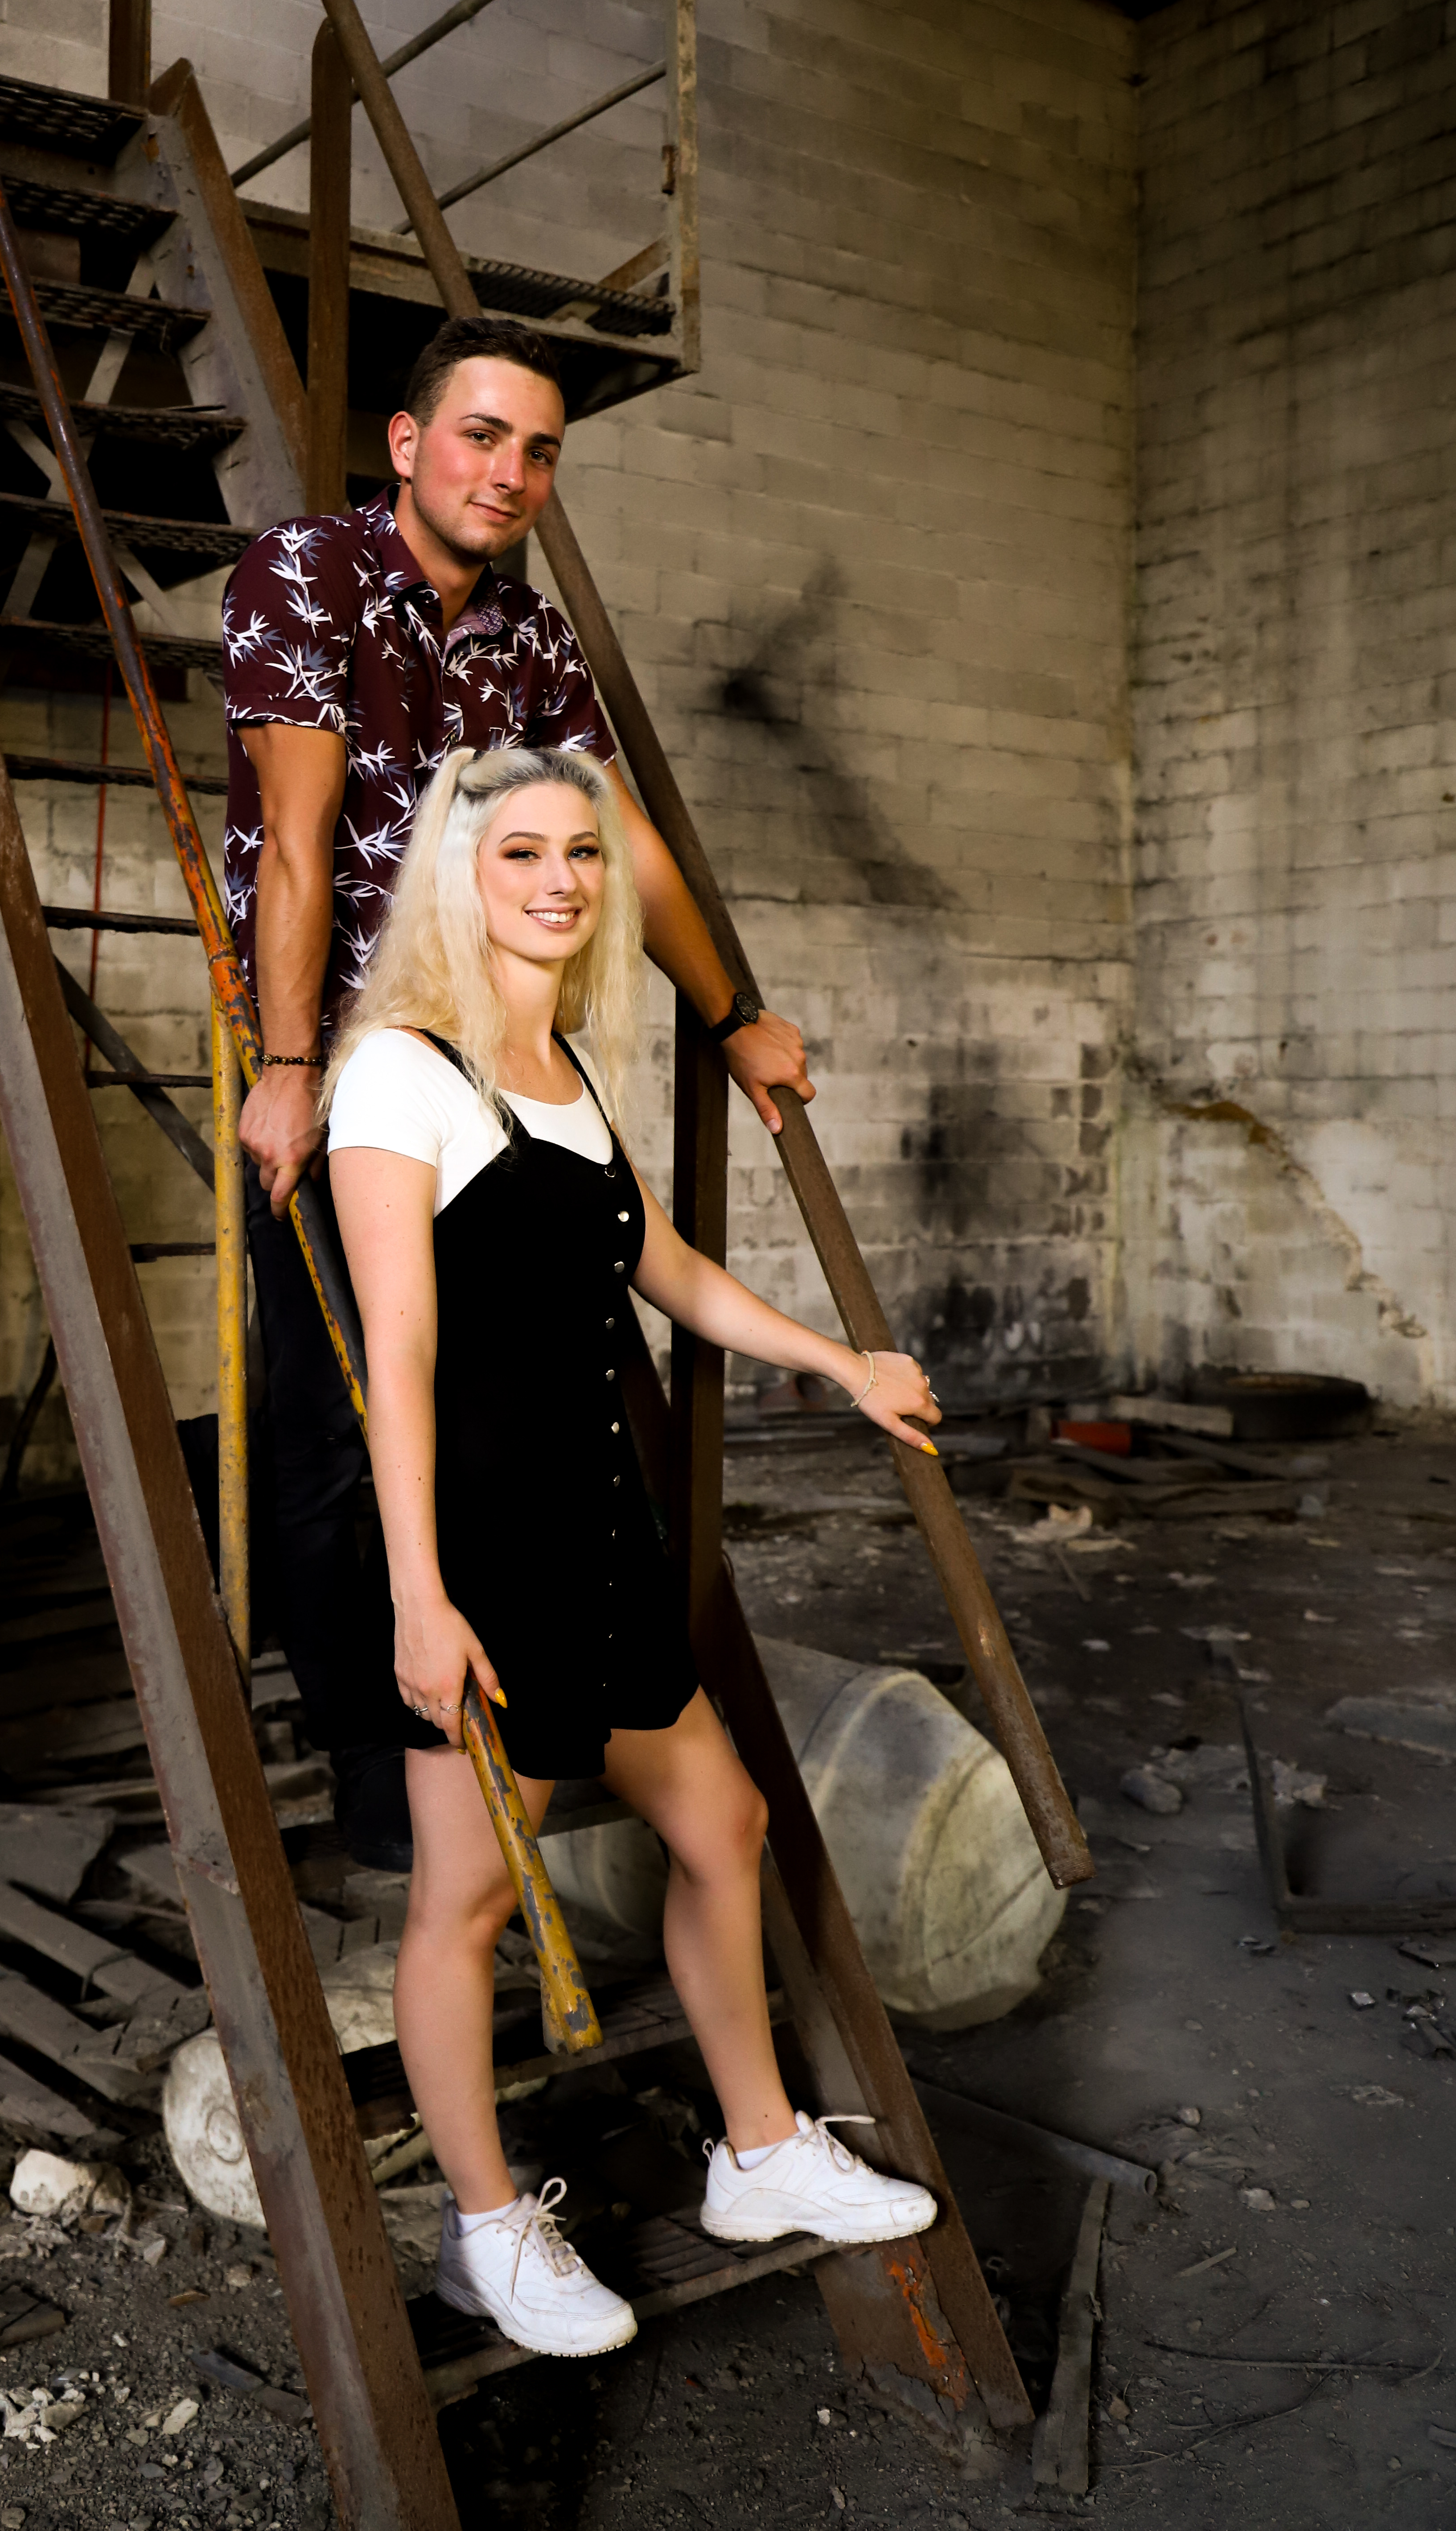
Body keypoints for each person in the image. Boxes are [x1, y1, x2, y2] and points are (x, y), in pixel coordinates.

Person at [324, 742, 944, 2358]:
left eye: (583, 854)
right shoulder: (399, 1073)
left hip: (599, 1528)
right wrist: (418, 1595)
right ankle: (483, 2233)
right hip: (481, 1553)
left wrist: (842, 1365)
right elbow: (398, 1351)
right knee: (467, 1906)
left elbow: (662, 1266)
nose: (561, 881)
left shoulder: (561, 1069)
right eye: (522, 853)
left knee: (724, 1822)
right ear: (461, 879)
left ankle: (759, 2153)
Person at [219, 313, 814, 1865]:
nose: (510, 472)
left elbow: (623, 841)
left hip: (491, 1067)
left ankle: (559, 1688)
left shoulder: (532, 638)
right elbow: (298, 845)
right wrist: (288, 1065)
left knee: (516, 1403)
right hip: (345, 1063)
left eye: (540, 451)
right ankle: (376, 1748)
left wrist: (735, 1014)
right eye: (482, 435)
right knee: (335, 1413)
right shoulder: (305, 575)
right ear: (408, 442)